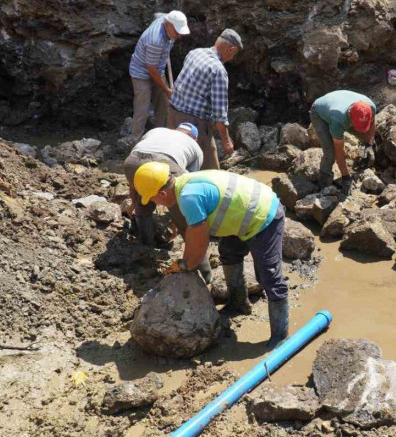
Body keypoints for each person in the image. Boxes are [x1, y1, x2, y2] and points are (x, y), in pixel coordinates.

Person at [133, 162, 289, 348]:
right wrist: (185, 260)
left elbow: (200, 242)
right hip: (243, 214)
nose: (154, 203)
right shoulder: (184, 182)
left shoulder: (188, 198)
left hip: (264, 217)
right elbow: (192, 232)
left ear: (162, 194)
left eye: (152, 199)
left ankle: (280, 335)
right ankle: (238, 303)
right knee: (229, 253)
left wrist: (186, 265)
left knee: (268, 276)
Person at [123, 123, 213, 282]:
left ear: (176, 130)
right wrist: (176, 219)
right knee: (189, 223)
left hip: (132, 162)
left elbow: (137, 170)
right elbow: (188, 189)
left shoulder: (156, 130)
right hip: (166, 162)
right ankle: (204, 272)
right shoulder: (195, 148)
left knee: (144, 202)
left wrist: (133, 203)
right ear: (194, 138)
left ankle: (146, 247)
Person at [168, 29, 243, 170]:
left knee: (176, 158)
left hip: (173, 114)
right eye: (234, 54)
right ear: (230, 49)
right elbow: (219, 114)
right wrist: (226, 141)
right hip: (195, 124)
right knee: (210, 170)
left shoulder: (195, 53)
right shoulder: (218, 71)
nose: (232, 58)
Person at [129, 10, 190, 141]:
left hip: (158, 69)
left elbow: (157, 14)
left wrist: (165, 91)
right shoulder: (155, 40)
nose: (179, 36)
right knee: (142, 109)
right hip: (141, 73)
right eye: (177, 32)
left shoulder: (165, 19)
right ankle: (134, 143)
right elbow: (151, 69)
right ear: (167, 25)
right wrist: (167, 89)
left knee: (164, 105)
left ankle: (160, 138)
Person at [310, 90, 377, 192]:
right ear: (350, 116)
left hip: (340, 103)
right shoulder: (338, 119)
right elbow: (339, 152)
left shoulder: (370, 107)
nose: (359, 129)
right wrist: (346, 177)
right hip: (319, 113)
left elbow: (372, 125)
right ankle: (324, 179)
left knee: (365, 137)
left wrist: (368, 143)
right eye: (358, 126)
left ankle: (363, 157)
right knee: (330, 152)